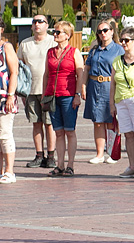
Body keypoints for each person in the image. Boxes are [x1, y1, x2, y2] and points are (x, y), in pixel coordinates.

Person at [43, 21, 85, 177]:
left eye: (58, 32)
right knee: (58, 132)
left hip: (68, 96)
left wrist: (78, 94)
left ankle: (70, 165)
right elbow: (46, 75)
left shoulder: (74, 52)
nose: (55, 34)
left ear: (67, 35)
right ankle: (59, 165)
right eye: (54, 31)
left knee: (70, 131)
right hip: (53, 95)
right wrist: (44, 94)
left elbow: (80, 75)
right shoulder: (50, 52)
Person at [110, 27, 134, 178]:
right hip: (121, 101)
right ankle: (132, 165)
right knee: (128, 134)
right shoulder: (117, 61)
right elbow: (113, 84)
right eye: (122, 40)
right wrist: (112, 104)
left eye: (126, 40)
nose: (123, 43)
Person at [18, 14, 56, 168]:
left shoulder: (53, 41)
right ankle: (39, 155)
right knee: (36, 123)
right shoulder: (25, 44)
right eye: (34, 22)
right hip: (31, 90)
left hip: (49, 90)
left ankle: (51, 156)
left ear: (47, 25)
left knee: (49, 124)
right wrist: (21, 91)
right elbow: (19, 67)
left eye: (41, 21)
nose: (37, 24)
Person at [83, 18, 123, 164]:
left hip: (109, 86)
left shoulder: (119, 49)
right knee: (97, 121)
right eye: (100, 31)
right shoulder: (94, 50)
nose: (103, 34)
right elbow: (86, 68)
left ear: (112, 32)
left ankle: (112, 152)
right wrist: (83, 86)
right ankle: (99, 153)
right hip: (94, 85)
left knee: (110, 120)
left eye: (105, 30)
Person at [0, 20, 19, 184]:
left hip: (4, 97)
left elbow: (14, 72)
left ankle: (9, 171)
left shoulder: (6, 47)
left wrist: (10, 96)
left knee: (5, 135)